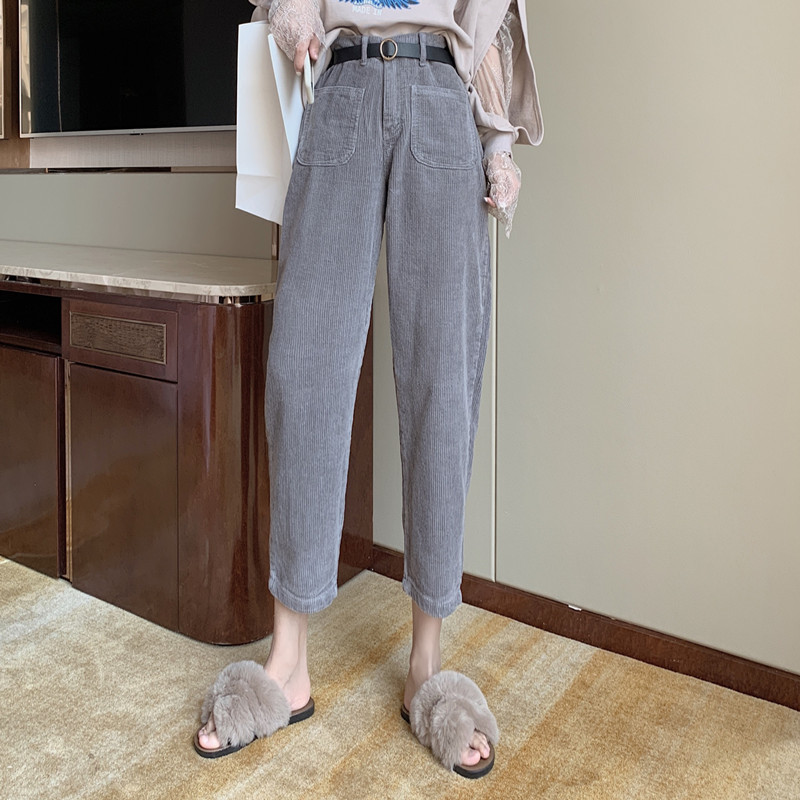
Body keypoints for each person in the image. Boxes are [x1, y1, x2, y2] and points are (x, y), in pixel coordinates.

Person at [194, 0, 542, 779]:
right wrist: (291, 17)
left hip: (441, 100)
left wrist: (498, 148)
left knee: (442, 378)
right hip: (343, 88)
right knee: (304, 370)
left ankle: (427, 667)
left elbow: (483, 24)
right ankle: (287, 664)